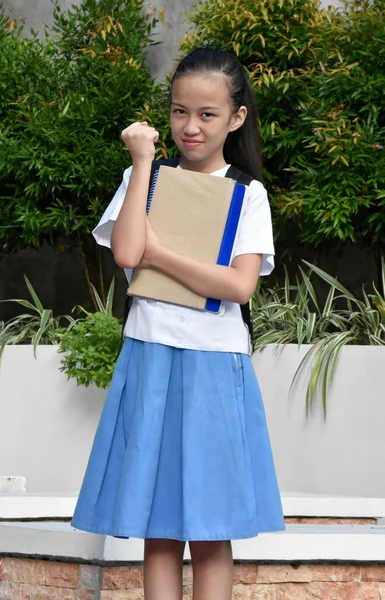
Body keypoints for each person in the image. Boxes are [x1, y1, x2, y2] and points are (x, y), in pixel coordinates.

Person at [71, 47, 285, 600]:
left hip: (216, 362)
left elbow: (238, 286)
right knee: (160, 524)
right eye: (179, 112)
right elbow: (124, 251)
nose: (191, 127)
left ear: (236, 118)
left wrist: (159, 255)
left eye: (208, 115)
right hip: (150, 355)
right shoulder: (148, 177)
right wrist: (142, 161)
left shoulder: (248, 194)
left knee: (211, 529)